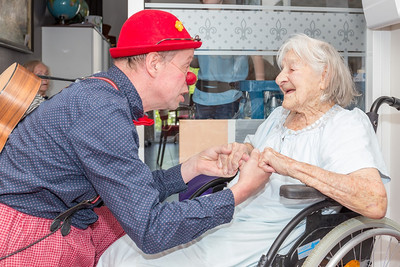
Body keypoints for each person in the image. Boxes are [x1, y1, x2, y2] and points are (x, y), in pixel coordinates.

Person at [0, 10, 271, 266]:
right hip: (31, 238)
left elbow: (130, 189)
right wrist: (240, 192)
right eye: (186, 66)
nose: (190, 79)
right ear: (154, 63)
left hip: (47, 220)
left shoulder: (104, 96)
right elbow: (152, 228)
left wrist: (192, 168)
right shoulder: (103, 112)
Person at [96, 33, 389, 267]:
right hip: (233, 213)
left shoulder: (345, 124)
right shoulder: (279, 118)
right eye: (281, 68)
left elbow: (374, 203)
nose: (279, 78)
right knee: (121, 250)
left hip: (271, 230)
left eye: (292, 69)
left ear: (323, 77)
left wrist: (289, 166)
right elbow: (258, 153)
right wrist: (241, 151)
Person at [191, 0, 265, 119]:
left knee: (227, 137)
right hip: (202, 97)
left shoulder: (235, 21)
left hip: (229, 98)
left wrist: (259, 95)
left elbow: (256, 55)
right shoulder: (197, 23)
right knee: (203, 137)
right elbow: (195, 62)